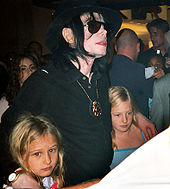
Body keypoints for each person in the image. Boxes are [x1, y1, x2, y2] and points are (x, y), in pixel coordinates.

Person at [0, 0, 156, 187]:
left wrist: (138, 116)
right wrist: (16, 174)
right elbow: (6, 130)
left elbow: (108, 103)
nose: (104, 31)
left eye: (104, 26)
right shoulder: (46, 81)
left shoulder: (99, 76)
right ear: (69, 35)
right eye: (93, 25)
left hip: (103, 180)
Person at [3, 113, 64, 189]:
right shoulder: (23, 181)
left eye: (51, 150)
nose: (48, 160)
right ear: (21, 155)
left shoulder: (53, 179)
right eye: (37, 154)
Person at [109, 28, 154, 118]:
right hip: (138, 126)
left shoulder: (104, 70)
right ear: (138, 47)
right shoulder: (141, 71)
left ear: (115, 47)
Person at [109, 86, 145, 169]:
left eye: (129, 113)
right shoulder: (103, 139)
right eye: (118, 115)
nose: (125, 120)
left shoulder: (144, 132)